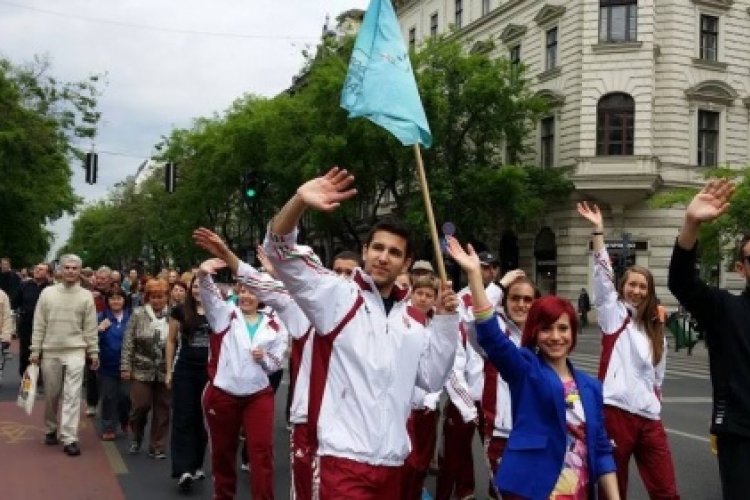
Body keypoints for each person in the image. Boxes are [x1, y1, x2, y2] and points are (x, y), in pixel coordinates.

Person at [261, 167, 458, 498]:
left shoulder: (410, 321)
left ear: (406, 263)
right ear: (365, 251)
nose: (383, 257)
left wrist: (446, 322)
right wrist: (299, 201)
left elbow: (432, 378)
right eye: (377, 248)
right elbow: (280, 252)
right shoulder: (337, 295)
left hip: (392, 463)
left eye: (394, 252)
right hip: (342, 461)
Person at [445, 236, 620, 499]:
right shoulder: (526, 370)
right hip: (534, 489)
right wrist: (475, 278)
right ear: (536, 333)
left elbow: (602, 449)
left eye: (563, 328)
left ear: (573, 334)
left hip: (579, 490)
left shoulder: (591, 387)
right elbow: (491, 337)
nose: (556, 336)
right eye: (547, 329)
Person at [577, 201, 679, 500]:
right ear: (623, 287)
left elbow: (658, 378)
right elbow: (603, 277)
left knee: (666, 489)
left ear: (649, 292)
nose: (636, 290)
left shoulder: (655, 328)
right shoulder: (613, 314)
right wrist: (598, 231)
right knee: (613, 490)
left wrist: (653, 405)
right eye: (631, 285)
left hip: (648, 418)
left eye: (642, 287)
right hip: (615, 412)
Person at [667, 178, 750, 500]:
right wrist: (691, 225)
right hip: (741, 436)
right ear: (742, 268)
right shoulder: (726, 309)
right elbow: (682, 282)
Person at [197, 258, 288, 500]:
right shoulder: (225, 314)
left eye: (253, 292)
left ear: (261, 297)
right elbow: (209, 298)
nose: (247, 296)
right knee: (223, 452)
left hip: (258, 394)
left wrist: (264, 358)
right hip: (224, 394)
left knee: (262, 452)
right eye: (243, 290)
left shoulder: (275, 324)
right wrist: (204, 276)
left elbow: (276, 363)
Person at [30, 254, 99, 457]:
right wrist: (35, 350)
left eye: (74, 268)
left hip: (76, 350)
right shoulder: (47, 294)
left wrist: (93, 352)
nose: (70, 271)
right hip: (51, 349)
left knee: (72, 395)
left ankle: (70, 437)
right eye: (66, 268)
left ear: (80, 271)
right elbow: (39, 323)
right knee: (52, 394)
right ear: (60, 270)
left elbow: (90, 327)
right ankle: (51, 428)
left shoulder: (86, 296)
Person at [166, 276, 210, 492]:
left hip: (210, 374)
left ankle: (196, 464)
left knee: (203, 419)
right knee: (184, 417)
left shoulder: (217, 311)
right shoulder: (180, 312)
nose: (198, 290)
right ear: (190, 288)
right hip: (184, 371)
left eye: (203, 286)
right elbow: (171, 340)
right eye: (195, 286)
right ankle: (183, 469)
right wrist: (168, 371)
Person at [401, 275, 443, 500]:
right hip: (405, 407)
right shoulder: (402, 321)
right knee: (407, 460)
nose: (424, 299)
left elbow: (440, 367)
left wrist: (431, 398)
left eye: (429, 295)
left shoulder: (436, 324)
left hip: (426, 407)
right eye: (420, 294)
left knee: (422, 461)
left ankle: (416, 491)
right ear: (412, 294)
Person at [120, 278, 172, 459]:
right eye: (153, 297)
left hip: (165, 370)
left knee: (163, 409)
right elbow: (128, 342)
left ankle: (157, 445)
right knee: (140, 406)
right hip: (141, 368)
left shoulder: (173, 316)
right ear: (147, 298)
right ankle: (136, 436)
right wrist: (125, 367)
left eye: (160, 297)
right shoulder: (138, 314)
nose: (157, 300)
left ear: (167, 297)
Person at [97, 289, 132, 441]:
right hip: (107, 364)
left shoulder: (131, 317)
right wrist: (98, 330)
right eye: (112, 298)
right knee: (109, 397)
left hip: (127, 364)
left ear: (124, 300)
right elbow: (91, 338)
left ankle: (124, 420)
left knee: (125, 396)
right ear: (108, 301)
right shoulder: (101, 317)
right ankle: (108, 427)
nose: (116, 301)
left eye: (119, 298)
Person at [12, 263, 50, 379]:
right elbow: (15, 303)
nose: (37, 271)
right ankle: (25, 377)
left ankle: (40, 379)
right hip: (26, 324)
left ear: (47, 273)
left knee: (43, 352)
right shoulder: (25, 285)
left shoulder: (50, 288)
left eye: (41, 269)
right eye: (36, 269)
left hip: (45, 326)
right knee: (25, 352)